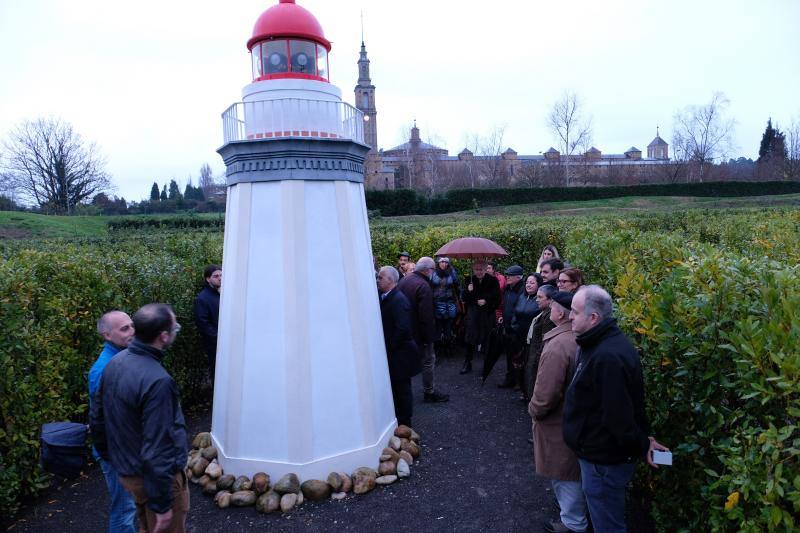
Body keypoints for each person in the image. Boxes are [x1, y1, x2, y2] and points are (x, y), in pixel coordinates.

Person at [564, 286, 669, 532]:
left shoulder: (607, 356)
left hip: (603, 462)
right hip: (600, 457)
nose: (570, 316)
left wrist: (642, 444)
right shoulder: (599, 345)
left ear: (593, 318)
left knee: (608, 525)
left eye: (575, 312)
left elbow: (618, 418)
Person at [90, 304, 190, 533]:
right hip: (157, 482)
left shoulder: (114, 363)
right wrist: (163, 505)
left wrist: (118, 462)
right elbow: (159, 446)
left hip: (132, 474)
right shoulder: (158, 381)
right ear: (164, 336)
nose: (176, 332)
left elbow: (97, 419)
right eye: (175, 328)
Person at [530, 292, 588, 533]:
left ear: (560, 312)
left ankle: (573, 524)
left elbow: (546, 393)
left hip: (559, 423)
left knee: (564, 470)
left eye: (552, 304)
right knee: (571, 469)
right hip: (574, 420)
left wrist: (534, 409)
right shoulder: (576, 338)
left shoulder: (558, 345)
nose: (548, 308)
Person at [88, 311, 137, 533]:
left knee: (129, 507)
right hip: (115, 453)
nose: (132, 332)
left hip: (123, 450)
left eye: (132, 326)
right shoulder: (104, 369)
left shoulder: (122, 359)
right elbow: (105, 420)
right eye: (124, 329)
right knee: (124, 510)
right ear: (107, 335)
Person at [397, 257, 450, 403]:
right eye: (433, 269)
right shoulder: (423, 285)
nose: (434, 272)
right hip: (419, 332)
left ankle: (403, 393)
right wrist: (429, 338)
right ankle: (429, 392)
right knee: (428, 361)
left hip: (405, 330)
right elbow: (426, 316)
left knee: (406, 363)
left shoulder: (405, 280)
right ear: (428, 270)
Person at [377, 266, 422, 427]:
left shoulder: (398, 299)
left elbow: (402, 328)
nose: (378, 280)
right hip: (396, 352)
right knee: (397, 387)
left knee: (402, 389)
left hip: (400, 354)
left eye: (380, 277)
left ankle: (405, 424)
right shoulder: (386, 297)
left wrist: (387, 348)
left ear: (390, 280)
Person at [461, 260, 501, 374]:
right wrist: (468, 291)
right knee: (470, 339)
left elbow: (497, 298)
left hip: (487, 315)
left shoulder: (493, 280)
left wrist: (486, 301)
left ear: (486, 269)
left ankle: (486, 365)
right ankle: (467, 363)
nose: (478, 272)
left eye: (481, 269)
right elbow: (464, 298)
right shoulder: (469, 280)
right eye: (476, 269)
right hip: (473, 314)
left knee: (487, 340)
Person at [523, 284, 557, 401]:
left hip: (538, 356)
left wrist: (537, 358)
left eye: (540, 297)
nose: (537, 300)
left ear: (549, 299)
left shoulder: (549, 316)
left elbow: (545, 340)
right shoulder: (544, 312)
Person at [509, 273, 542, 388]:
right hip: (518, 335)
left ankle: (527, 388)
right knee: (517, 361)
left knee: (529, 363)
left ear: (539, 284)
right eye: (527, 282)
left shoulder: (540, 300)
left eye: (532, 283)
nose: (528, 285)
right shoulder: (522, 296)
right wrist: (514, 326)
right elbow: (515, 312)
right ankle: (519, 383)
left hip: (532, 338)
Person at [497, 265, 525, 388]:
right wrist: (503, 316)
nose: (507, 277)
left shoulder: (522, 290)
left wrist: (513, 324)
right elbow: (506, 305)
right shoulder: (508, 288)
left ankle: (519, 382)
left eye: (510, 275)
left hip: (516, 328)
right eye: (507, 274)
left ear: (518, 277)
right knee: (509, 354)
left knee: (518, 355)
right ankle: (510, 379)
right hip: (507, 326)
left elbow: (519, 309)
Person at [193, 264, 221, 381]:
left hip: (225, 344)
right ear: (208, 279)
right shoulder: (202, 298)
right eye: (216, 276)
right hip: (215, 347)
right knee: (219, 376)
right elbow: (203, 325)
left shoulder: (224, 294)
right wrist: (220, 339)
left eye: (221, 275)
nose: (220, 278)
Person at [431, 257, 460, 356]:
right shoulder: (433, 272)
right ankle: (438, 348)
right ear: (438, 262)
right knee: (438, 327)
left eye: (446, 262)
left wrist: (459, 297)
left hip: (449, 303)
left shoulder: (452, 272)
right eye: (442, 261)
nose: (444, 264)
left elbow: (457, 285)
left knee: (448, 327)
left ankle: (448, 347)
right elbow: (429, 286)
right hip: (436, 303)